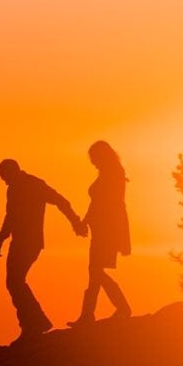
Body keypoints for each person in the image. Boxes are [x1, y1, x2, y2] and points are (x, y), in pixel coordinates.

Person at [0, 158, 84, 340]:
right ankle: (34, 322)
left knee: (15, 281)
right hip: (21, 241)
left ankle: (34, 323)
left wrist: (75, 221)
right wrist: (1, 238)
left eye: (5, 176)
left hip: (29, 242)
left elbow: (60, 201)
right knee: (14, 282)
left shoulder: (33, 185)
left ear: (12, 172)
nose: (4, 181)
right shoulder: (14, 188)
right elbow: (10, 216)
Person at [72, 140, 132, 327]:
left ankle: (98, 312)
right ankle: (96, 313)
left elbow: (110, 204)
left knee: (95, 271)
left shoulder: (113, 173)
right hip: (100, 230)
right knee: (95, 271)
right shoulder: (107, 173)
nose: (92, 161)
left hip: (108, 229)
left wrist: (88, 222)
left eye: (94, 157)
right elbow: (96, 204)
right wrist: (85, 222)